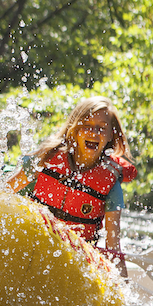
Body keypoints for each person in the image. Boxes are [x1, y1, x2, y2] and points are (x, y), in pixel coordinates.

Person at [7, 96, 137, 277]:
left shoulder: (110, 184)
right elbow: (3, 191)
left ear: (110, 135)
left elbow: (113, 247)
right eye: (87, 125)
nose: (94, 132)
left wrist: (125, 295)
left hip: (73, 259)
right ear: (74, 129)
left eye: (102, 127)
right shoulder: (47, 157)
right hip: (31, 245)